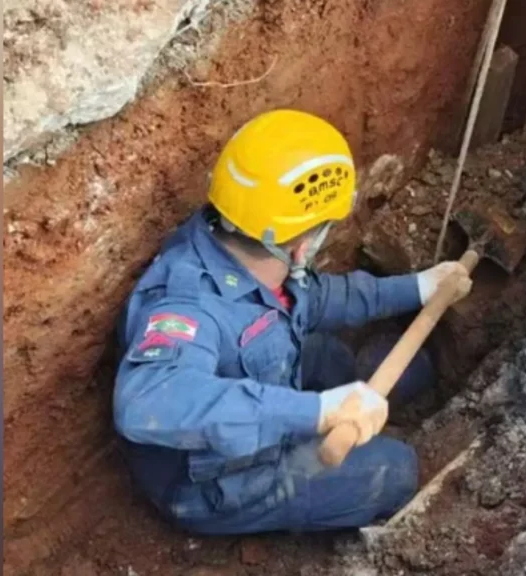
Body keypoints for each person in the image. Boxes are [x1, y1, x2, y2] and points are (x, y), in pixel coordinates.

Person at [112, 109, 471, 535]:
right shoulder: (189, 306)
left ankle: (355, 411)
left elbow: (320, 299)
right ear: (302, 247)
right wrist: (316, 412)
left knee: (331, 355)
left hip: (260, 405)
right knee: (397, 469)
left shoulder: (243, 246)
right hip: (217, 484)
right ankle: (316, 475)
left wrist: (419, 287)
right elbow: (146, 403)